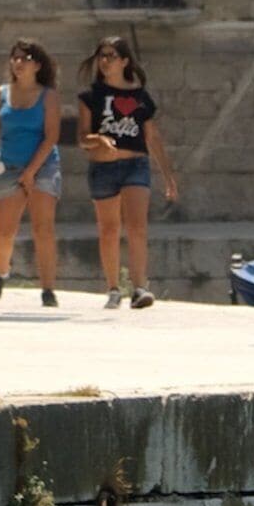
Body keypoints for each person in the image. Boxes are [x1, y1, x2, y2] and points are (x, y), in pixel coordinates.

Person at [69, 36, 178, 307]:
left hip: (135, 165)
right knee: (109, 229)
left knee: (137, 227)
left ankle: (140, 287)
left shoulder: (140, 98)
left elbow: (152, 138)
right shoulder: (90, 97)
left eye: (111, 56)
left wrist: (168, 177)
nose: (105, 61)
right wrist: (99, 140)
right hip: (103, 167)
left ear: (125, 61)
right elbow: (82, 138)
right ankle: (113, 288)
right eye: (102, 55)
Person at [0, 40, 64, 307]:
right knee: (3, 232)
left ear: (37, 64)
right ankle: (1, 272)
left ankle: (48, 290)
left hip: (43, 166)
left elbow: (51, 137)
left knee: (43, 228)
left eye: (25, 58)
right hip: (8, 166)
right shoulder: (1, 94)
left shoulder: (49, 97)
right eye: (15, 58)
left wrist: (32, 172)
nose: (18, 63)